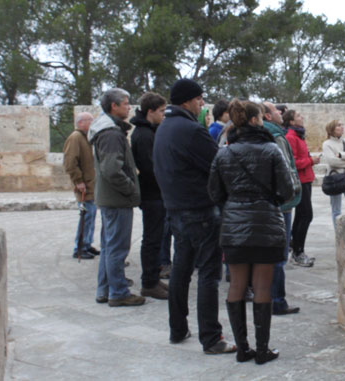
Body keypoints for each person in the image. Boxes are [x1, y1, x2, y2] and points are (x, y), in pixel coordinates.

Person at [208, 99, 294, 365]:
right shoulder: (270, 150)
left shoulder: (224, 152)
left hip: (234, 226)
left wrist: (234, 206)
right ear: (257, 120)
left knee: (236, 285)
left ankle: (243, 349)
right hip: (265, 224)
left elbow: (214, 192)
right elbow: (287, 190)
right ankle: (263, 349)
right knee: (262, 286)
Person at [153, 78, 235, 354]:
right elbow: (219, 165)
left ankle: (177, 329)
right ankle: (211, 338)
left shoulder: (164, 128)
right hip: (199, 210)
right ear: (188, 101)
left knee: (181, 269)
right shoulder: (190, 130)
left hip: (175, 209)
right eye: (200, 99)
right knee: (209, 273)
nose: (203, 104)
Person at [89, 88, 144, 307]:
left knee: (109, 245)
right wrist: (131, 188)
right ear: (114, 106)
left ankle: (105, 289)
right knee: (118, 247)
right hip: (117, 198)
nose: (129, 107)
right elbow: (112, 169)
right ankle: (119, 292)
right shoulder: (111, 133)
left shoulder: (106, 129)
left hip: (110, 197)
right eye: (125, 103)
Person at [262, 102, 302, 316]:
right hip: (280, 203)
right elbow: (285, 169)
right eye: (277, 111)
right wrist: (291, 193)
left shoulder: (258, 134)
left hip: (264, 202)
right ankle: (277, 301)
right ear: (267, 116)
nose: (281, 112)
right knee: (279, 253)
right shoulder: (277, 136)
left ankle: (265, 297)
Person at [130, 92, 169, 300]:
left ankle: (153, 278)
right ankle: (149, 283)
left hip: (156, 194)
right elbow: (149, 167)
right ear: (150, 111)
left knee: (156, 237)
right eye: (161, 111)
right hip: (152, 194)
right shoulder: (143, 135)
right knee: (152, 239)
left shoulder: (149, 132)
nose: (164, 115)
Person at [283, 109, 320, 267]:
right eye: (298, 116)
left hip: (306, 179)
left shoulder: (298, 135)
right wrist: (311, 161)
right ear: (291, 122)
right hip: (300, 180)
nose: (302, 117)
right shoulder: (291, 137)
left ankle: (296, 248)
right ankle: (298, 251)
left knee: (302, 215)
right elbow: (293, 162)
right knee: (306, 215)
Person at [62, 111, 99, 260]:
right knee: (86, 215)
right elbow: (70, 162)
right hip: (84, 186)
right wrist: (78, 181)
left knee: (90, 215)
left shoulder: (85, 138)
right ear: (81, 123)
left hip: (91, 184)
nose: (92, 122)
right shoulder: (76, 138)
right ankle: (80, 248)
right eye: (90, 120)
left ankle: (87, 244)